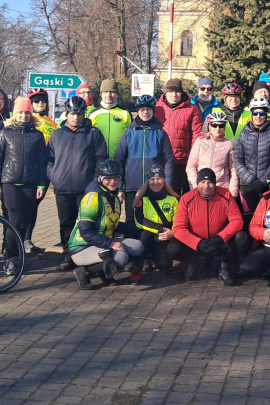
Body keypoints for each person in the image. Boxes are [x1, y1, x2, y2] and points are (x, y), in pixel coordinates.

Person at [47, 96, 108, 268]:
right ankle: (68, 255)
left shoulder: (93, 134)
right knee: (66, 222)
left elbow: (100, 159)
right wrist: (54, 177)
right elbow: (49, 160)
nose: (76, 117)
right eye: (72, 113)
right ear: (67, 114)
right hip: (62, 187)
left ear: (83, 114)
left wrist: (94, 182)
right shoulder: (57, 134)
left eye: (79, 114)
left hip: (86, 188)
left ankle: (87, 254)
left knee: (86, 223)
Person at [68, 159, 145, 289]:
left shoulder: (113, 196)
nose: (113, 181)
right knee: (121, 257)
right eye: (108, 178)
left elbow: (112, 224)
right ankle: (84, 272)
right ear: (99, 179)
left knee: (137, 246)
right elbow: (85, 231)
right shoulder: (92, 197)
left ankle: (104, 272)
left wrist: (141, 226)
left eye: (116, 178)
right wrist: (112, 244)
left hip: (101, 241)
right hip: (82, 246)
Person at [0, 96, 49, 255]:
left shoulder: (37, 136)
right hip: (9, 184)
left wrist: (41, 185)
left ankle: (18, 253)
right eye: (21, 112)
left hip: (30, 184)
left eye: (27, 113)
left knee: (24, 221)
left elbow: (42, 162)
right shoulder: (5, 133)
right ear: (15, 114)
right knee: (14, 221)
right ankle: (10, 258)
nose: (24, 116)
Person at [172, 168, 244, 284]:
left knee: (241, 237)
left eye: (210, 182)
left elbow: (237, 221)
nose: (206, 186)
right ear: (197, 183)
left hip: (218, 241)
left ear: (215, 184)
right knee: (173, 248)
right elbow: (178, 228)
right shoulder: (186, 198)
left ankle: (226, 265)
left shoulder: (225, 194)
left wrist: (220, 237)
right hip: (196, 245)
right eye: (202, 182)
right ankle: (192, 260)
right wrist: (197, 243)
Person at [114, 94, 175, 201]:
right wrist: (120, 187)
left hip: (154, 186)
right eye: (142, 109)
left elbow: (168, 160)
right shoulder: (128, 133)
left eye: (148, 109)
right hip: (132, 186)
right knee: (130, 217)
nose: (145, 112)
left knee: (152, 217)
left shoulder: (161, 134)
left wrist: (168, 183)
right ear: (137, 111)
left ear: (153, 111)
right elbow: (119, 160)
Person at [234, 97, 270, 228]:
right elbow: (238, 159)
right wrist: (250, 180)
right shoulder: (244, 133)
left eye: (262, 113)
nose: (259, 116)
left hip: (265, 185)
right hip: (247, 184)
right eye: (255, 113)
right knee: (248, 220)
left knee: (264, 218)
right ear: (252, 114)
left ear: (266, 115)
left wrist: (262, 181)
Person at [155, 78, 203, 194]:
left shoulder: (191, 109)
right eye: (171, 92)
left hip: (182, 161)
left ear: (181, 93)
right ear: (166, 93)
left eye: (177, 92)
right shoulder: (157, 108)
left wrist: (193, 156)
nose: (174, 95)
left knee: (180, 194)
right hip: (162, 160)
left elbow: (196, 134)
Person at [133, 164, 180, 277]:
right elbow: (139, 221)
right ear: (148, 181)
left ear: (164, 180)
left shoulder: (173, 199)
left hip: (165, 237)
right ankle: (138, 265)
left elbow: (179, 220)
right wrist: (159, 229)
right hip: (150, 235)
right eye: (152, 179)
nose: (155, 182)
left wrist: (172, 232)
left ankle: (158, 259)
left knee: (164, 265)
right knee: (145, 235)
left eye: (159, 178)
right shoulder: (141, 199)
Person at [186, 107, 239, 197]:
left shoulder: (229, 144)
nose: (218, 128)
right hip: (202, 188)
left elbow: (233, 170)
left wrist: (232, 193)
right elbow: (191, 166)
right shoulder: (200, 141)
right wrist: (195, 187)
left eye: (221, 125)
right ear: (209, 126)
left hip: (222, 189)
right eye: (214, 125)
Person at [87, 79, 131, 159]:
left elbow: (131, 138)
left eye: (112, 92)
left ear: (117, 94)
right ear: (101, 94)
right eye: (105, 92)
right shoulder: (93, 114)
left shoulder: (125, 114)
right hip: (98, 161)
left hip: (119, 160)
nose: (109, 95)